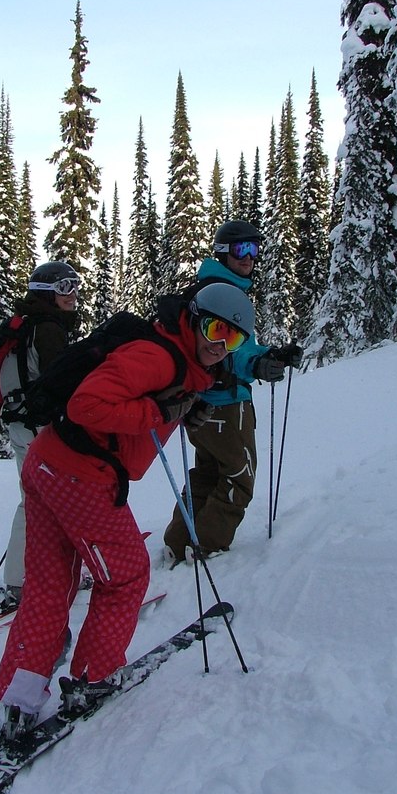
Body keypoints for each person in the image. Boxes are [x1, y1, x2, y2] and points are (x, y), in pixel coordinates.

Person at [0, 282, 256, 735]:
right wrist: (157, 411)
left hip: (47, 465)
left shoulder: (176, 356)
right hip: (79, 475)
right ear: (192, 319)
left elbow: (140, 405)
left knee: (50, 585)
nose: (218, 344)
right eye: (213, 329)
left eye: (231, 338)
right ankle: (91, 679)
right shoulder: (157, 356)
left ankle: (21, 695)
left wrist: (175, 411)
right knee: (128, 573)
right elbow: (87, 405)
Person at [162, 219, 302, 565]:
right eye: (242, 249)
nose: (250, 257)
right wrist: (257, 365)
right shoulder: (223, 290)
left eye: (255, 249)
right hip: (226, 404)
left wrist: (269, 355)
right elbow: (228, 351)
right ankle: (206, 546)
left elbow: (235, 347)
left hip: (200, 403)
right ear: (223, 252)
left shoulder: (208, 286)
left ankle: (178, 541)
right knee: (239, 477)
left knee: (208, 473)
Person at [0, 261, 80, 613]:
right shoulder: (47, 329)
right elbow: (59, 379)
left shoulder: (21, 325)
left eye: (74, 285)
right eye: (64, 288)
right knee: (65, 498)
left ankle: (19, 579)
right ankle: (43, 577)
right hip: (40, 430)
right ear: (47, 293)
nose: (73, 294)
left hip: (19, 426)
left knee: (32, 501)